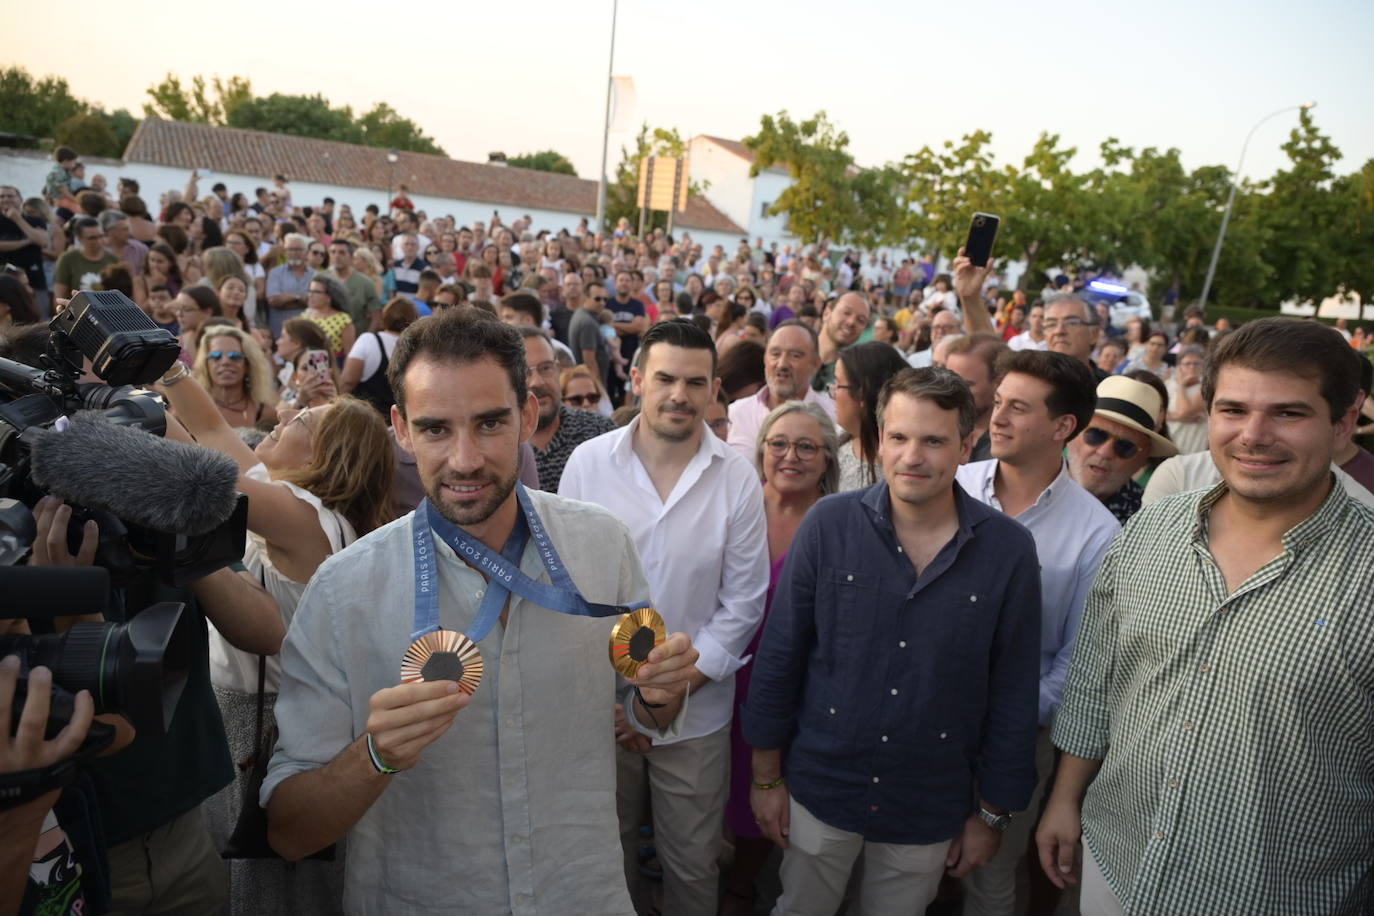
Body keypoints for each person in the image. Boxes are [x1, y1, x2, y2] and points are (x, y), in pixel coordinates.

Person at [262, 309, 699, 914]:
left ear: (529, 414)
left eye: (490, 423)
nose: (465, 459)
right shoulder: (343, 592)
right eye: (436, 429)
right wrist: (374, 756)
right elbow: (288, 832)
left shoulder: (605, 546)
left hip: (581, 892)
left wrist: (661, 695)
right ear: (402, 430)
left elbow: (644, 714)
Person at [1037, 317, 1374, 915]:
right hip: (1120, 858)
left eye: (1289, 413)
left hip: (1275, 895)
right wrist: (1065, 798)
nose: (1254, 435)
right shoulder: (1151, 529)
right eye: (1234, 409)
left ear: (1344, 422)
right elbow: (1097, 678)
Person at [744, 367, 1043, 916]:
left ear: (965, 445)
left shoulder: (1009, 551)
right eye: (900, 437)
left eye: (933, 440)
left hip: (928, 802)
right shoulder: (828, 524)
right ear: (880, 440)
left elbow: (1013, 692)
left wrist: (992, 814)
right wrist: (766, 778)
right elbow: (780, 655)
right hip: (822, 787)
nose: (913, 456)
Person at [157, 367, 392, 915]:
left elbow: (204, 470)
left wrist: (130, 404)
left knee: (264, 887)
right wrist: (165, 370)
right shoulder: (290, 501)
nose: (284, 414)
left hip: (267, 720)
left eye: (302, 420)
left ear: (324, 458)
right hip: (245, 708)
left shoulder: (310, 518)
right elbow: (214, 433)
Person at [559, 319, 769, 916]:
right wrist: (623, 705)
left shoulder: (737, 477)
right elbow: (569, 588)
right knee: (603, 856)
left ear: (714, 389)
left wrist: (667, 693)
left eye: (695, 382)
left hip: (696, 715)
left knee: (691, 865)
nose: (680, 394)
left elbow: (744, 603)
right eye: (666, 378)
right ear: (638, 378)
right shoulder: (588, 464)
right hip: (598, 711)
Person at [956, 349, 1121, 916]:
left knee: (990, 876)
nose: (996, 417)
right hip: (915, 719)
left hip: (1019, 736)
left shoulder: (1097, 534)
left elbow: (1080, 663)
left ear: (1063, 427)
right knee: (895, 864)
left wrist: (1000, 714)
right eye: (998, 402)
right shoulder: (951, 485)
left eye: (1017, 408)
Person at [721, 401, 838, 915]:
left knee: (762, 790)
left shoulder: (838, 524)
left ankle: (743, 884)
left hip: (791, 689)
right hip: (717, 675)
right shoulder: (736, 506)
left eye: (806, 446)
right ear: (762, 450)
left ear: (827, 459)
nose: (791, 456)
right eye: (779, 444)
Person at [1066, 375, 1178, 524]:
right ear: (1073, 434)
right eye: (1096, 435)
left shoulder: (1145, 519)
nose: (1105, 452)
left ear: (1142, 459)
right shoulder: (1030, 481)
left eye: (1125, 446)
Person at [517, 327, 616, 491]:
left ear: (558, 369)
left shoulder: (600, 431)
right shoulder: (498, 445)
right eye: (523, 373)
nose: (537, 382)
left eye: (546, 368)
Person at [726, 320, 837, 466]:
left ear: (816, 364)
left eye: (795, 355)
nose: (782, 364)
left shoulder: (833, 417)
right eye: (775, 354)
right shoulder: (735, 414)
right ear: (765, 359)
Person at [831, 341, 909, 491]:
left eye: (838, 384)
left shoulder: (905, 464)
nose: (832, 393)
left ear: (861, 394)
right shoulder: (832, 442)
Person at [340, 297, 419, 418]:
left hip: (366, 421)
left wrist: (334, 408)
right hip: (401, 423)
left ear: (385, 316)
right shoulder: (418, 348)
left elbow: (347, 382)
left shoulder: (368, 340)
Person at [943, 332, 1008, 462]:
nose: (952, 392)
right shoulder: (937, 428)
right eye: (949, 381)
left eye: (966, 384)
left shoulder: (1015, 445)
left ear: (999, 383)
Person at [809, 292, 871, 393]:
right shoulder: (793, 352)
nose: (851, 322)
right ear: (826, 313)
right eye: (846, 313)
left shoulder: (853, 378)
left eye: (861, 320)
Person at [1042, 294, 1108, 382]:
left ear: (1094, 334)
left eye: (1072, 323)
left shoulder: (1110, 389)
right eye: (1051, 324)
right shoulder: (1030, 383)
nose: (1059, 331)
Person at [325, 238, 383, 334]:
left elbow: (376, 317)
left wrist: (365, 339)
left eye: (342, 253)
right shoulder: (321, 279)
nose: (336, 256)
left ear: (351, 257)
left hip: (357, 337)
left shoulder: (366, 283)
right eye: (333, 252)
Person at [53, 217, 118, 300]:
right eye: (92, 238)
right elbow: (60, 295)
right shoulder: (68, 259)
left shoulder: (113, 260)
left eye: (101, 236)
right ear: (79, 239)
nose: (98, 241)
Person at [265, 233, 315, 336]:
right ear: (285, 252)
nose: (294, 253)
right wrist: (300, 298)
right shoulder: (275, 273)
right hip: (280, 330)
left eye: (298, 249)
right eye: (290, 249)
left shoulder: (315, 275)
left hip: (307, 331)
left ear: (306, 252)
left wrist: (288, 298)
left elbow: (315, 302)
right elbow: (274, 301)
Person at [1165, 344, 1209, 454]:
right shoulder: (1168, 384)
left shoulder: (1206, 387)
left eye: (1196, 363)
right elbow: (1158, 413)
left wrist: (1181, 386)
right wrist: (1177, 417)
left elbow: (1184, 411)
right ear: (1180, 366)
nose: (1192, 367)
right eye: (1188, 363)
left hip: (1194, 444)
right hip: (1171, 440)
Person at [304, 275, 357, 363]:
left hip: (334, 367)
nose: (310, 295)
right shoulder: (304, 316)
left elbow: (350, 354)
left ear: (329, 297)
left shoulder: (343, 320)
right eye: (310, 291)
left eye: (316, 292)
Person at [173, 285, 221, 365]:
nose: (179, 314)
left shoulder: (223, 340)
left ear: (207, 312)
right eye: (177, 309)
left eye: (187, 309)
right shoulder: (176, 344)